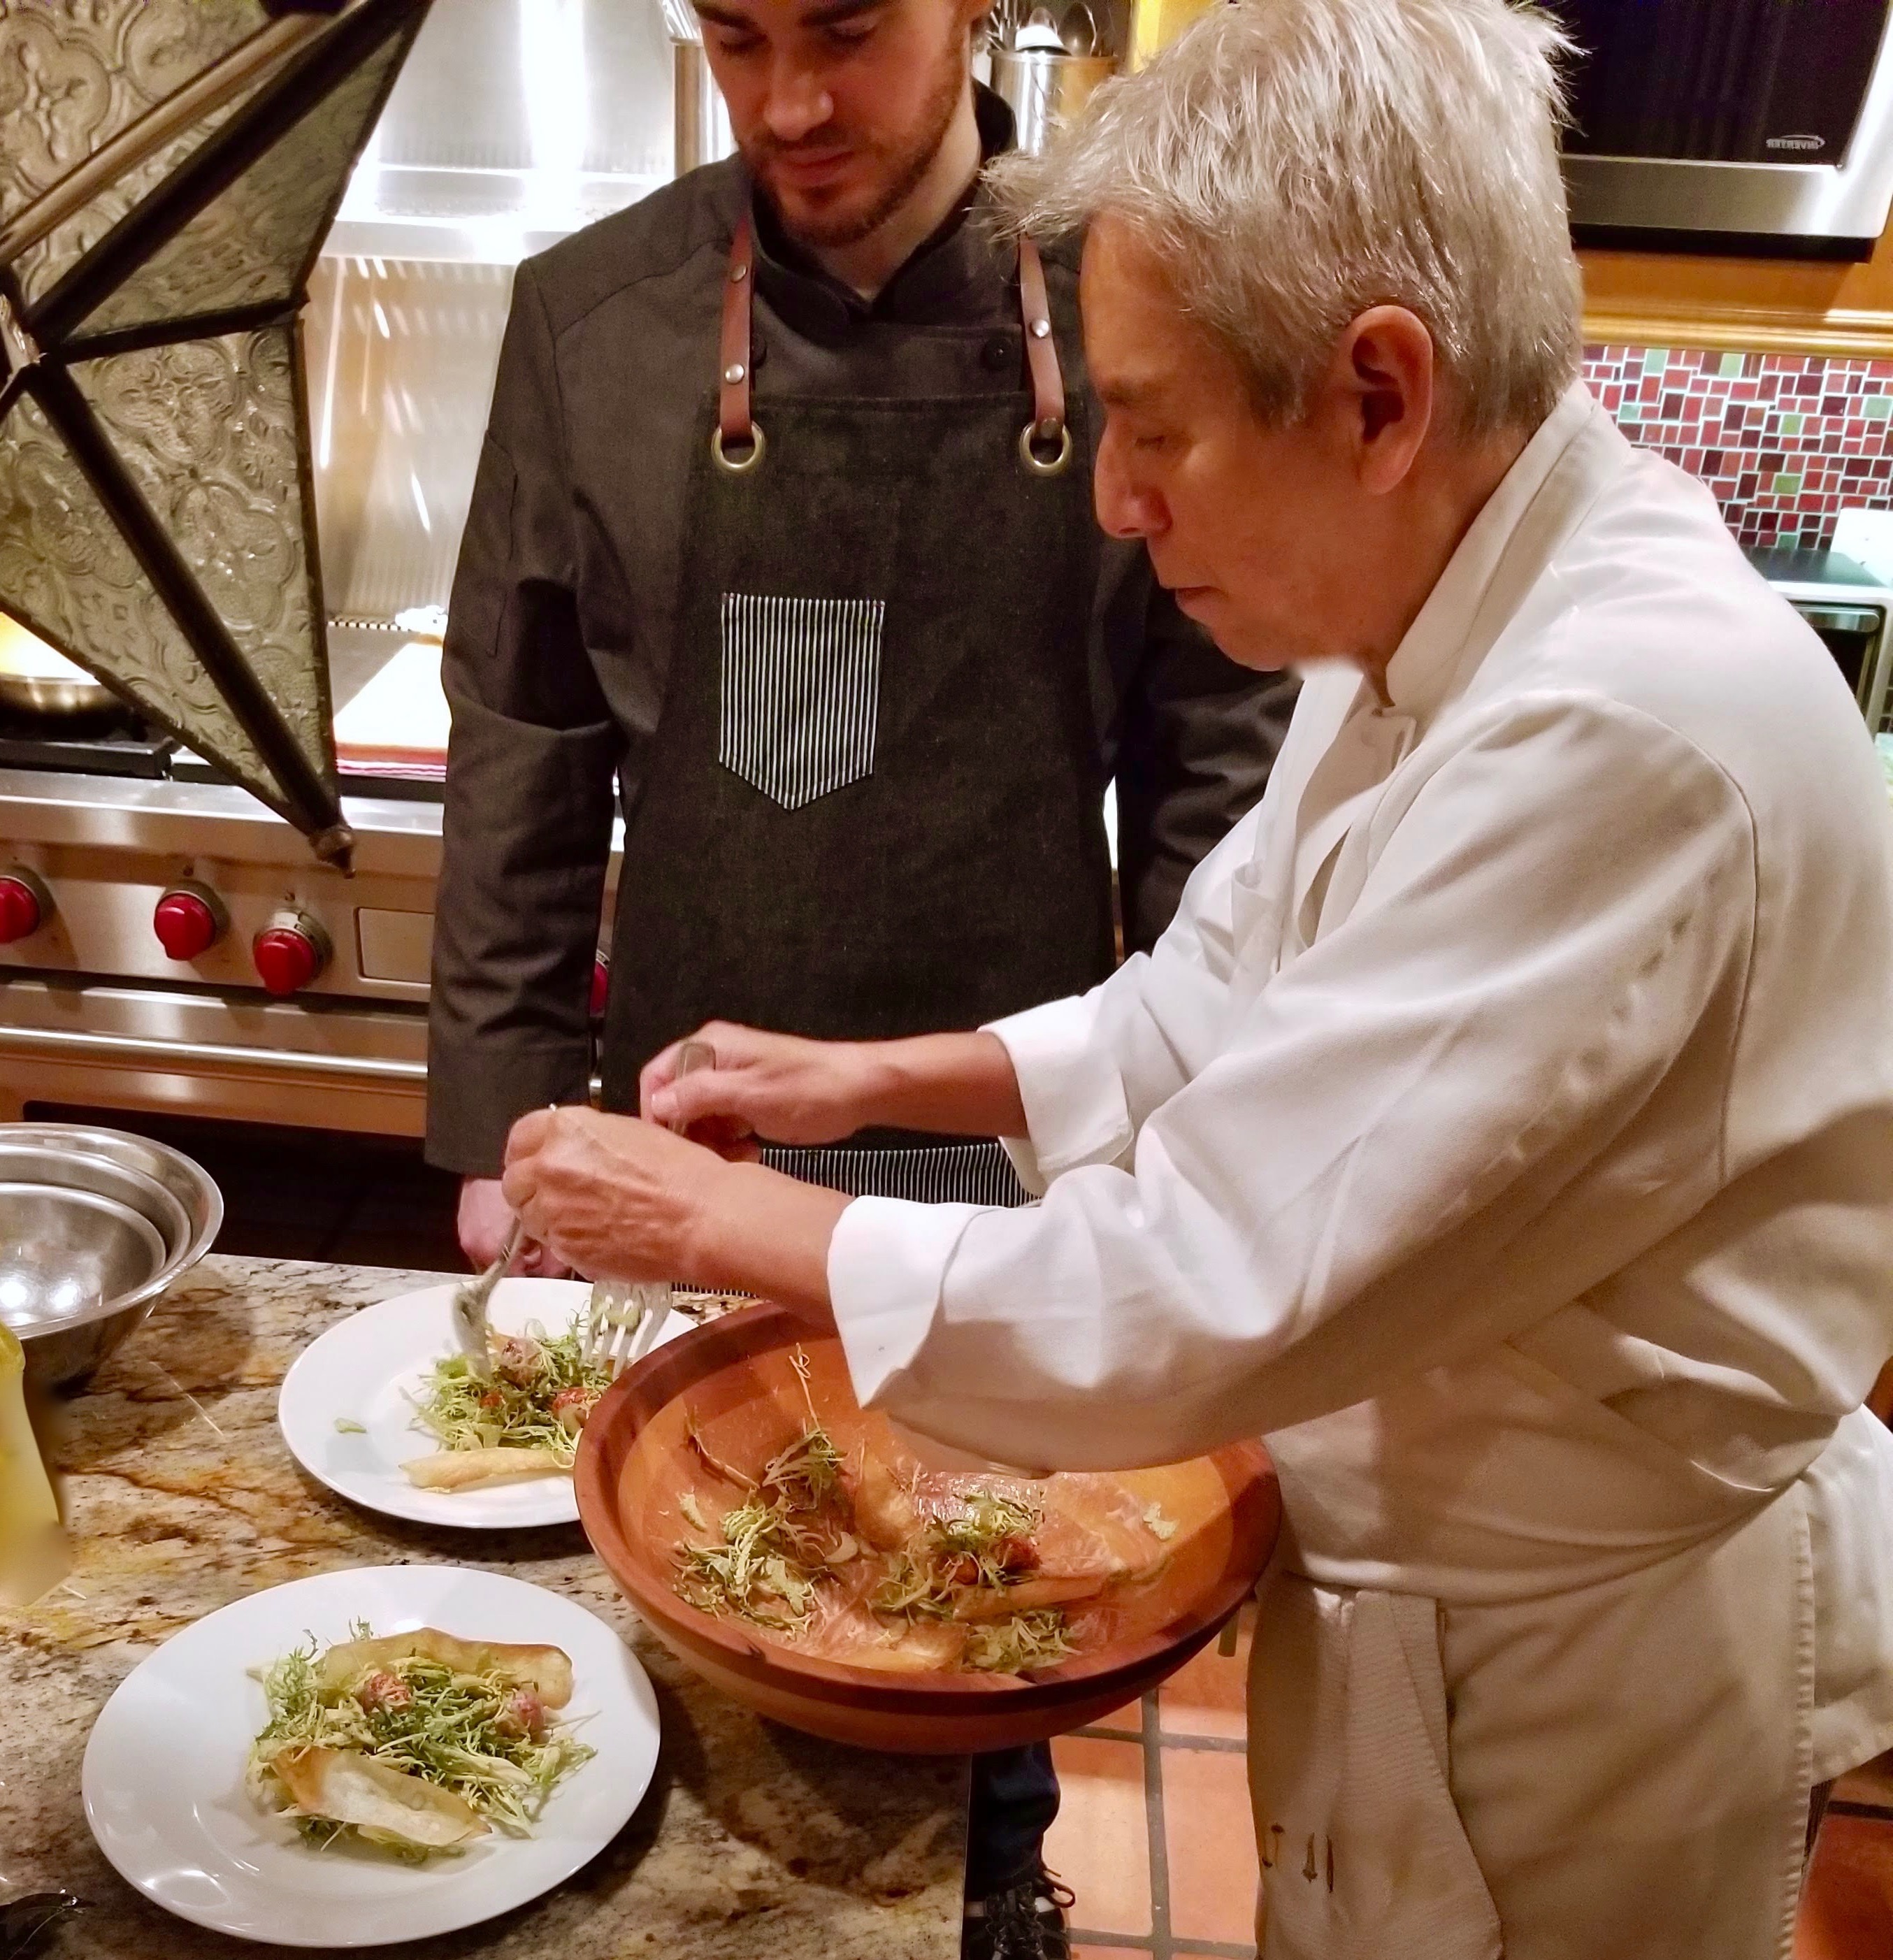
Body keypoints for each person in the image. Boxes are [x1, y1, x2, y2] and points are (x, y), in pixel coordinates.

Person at [498, 2, 1893, 1954]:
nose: (1113, 498)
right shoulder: (1436, 604)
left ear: (1376, 394)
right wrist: (875, 1074)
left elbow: (1205, 1279)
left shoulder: (1621, 731)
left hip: (1587, 1662)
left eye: (1153, 426)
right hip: (1422, 1572)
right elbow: (1209, 994)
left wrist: (740, 1219)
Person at [424, 1, 1296, 1952]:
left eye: (846, 31)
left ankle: (992, 1893)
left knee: (976, 1591)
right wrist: (500, 1116)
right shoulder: (592, 317)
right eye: (735, 39)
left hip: (1017, 1089)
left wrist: (1178, 1120)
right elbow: (524, 735)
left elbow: (1212, 765)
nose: (792, 105)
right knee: (686, 1579)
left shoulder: (1127, 293)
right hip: (691, 1107)